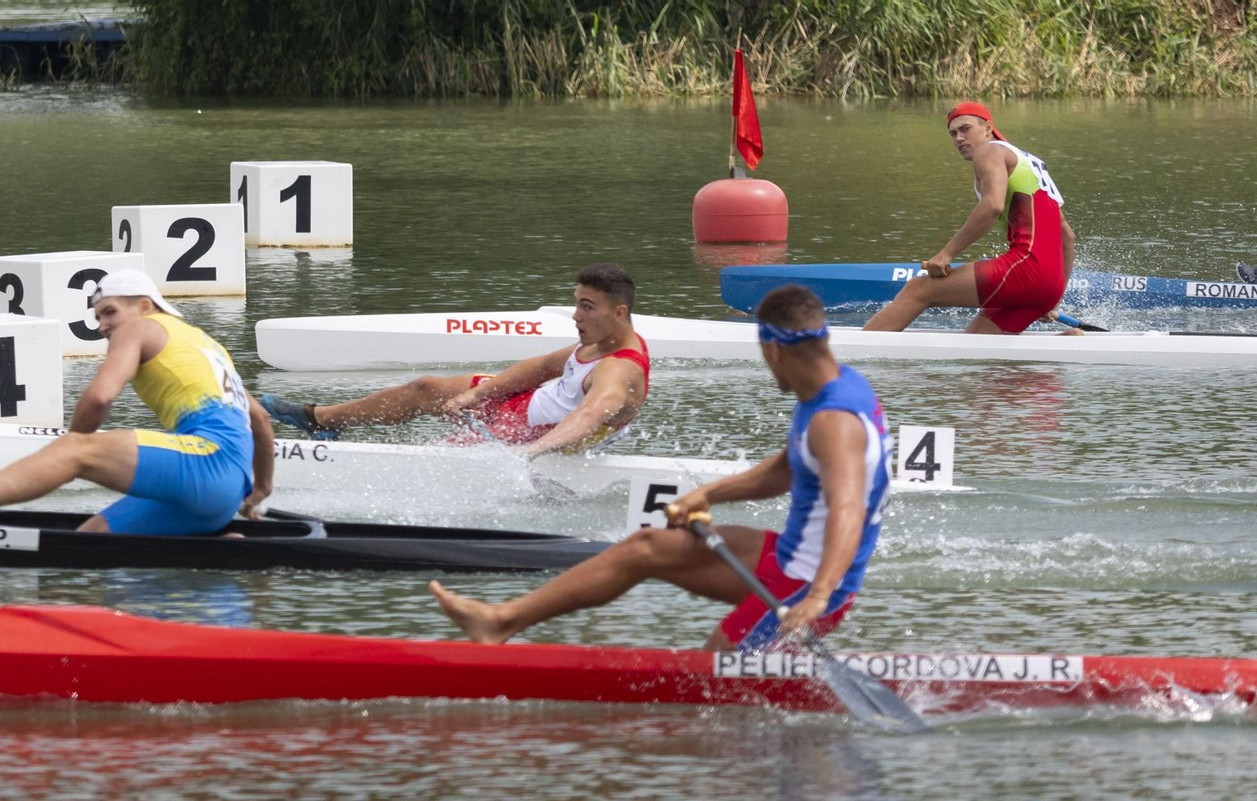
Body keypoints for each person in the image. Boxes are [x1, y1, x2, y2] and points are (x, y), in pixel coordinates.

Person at [431, 285, 890, 651]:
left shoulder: (834, 421)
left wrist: (817, 598)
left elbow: (847, 509)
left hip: (808, 583)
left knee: (712, 682)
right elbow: (787, 468)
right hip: (786, 556)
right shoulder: (842, 384)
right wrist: (707, 495)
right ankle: (500, 620)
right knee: (646, 546)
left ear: (773, 350)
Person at [0, 270, 274, 536]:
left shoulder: (139, 328)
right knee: (91, 539)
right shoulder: (207, 345)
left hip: (206, 461)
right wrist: (259, 491)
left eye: (108, 312)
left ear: (144, 305)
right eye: (98, 317)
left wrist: (69, 452)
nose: (102, 325)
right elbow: (260, 422)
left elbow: (101, 396)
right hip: (224, 492)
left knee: (75, 449)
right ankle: (222, 548)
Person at [262, 263, 649, 459]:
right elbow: (542, 367)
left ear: (618, 312)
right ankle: (319, 420)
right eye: (575, 304)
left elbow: (588, 417)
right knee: (426, 388)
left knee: (441, 456)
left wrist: (527, 455)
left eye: (586, 307)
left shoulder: (619, 371)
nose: (576, 316)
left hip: (525, 435)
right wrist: (477, 396)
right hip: (521, 406)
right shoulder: (600, 340)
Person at [865, 101, 1077, 334]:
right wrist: (1051, 294)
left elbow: (993, 205)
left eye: (965, 129)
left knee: (919, 289)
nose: (958, 138)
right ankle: (1070, 340)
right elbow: (1067, 235)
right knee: (978, 345)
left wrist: (947, 253)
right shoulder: (1025, 162)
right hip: (1051, 280)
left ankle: (847, 360)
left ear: (988, 128)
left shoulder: (990, 151)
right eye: (953, 133)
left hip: (1025, 267)